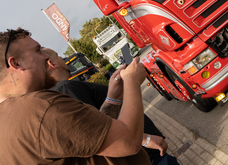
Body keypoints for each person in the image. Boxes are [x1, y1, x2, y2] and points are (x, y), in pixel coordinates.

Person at [0, 28, 150, 164]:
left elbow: (90, 136)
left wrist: (113, 98)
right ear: (16, 63)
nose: (46, 57)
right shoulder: (41, 107)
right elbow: (128, 141)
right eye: (38, 51)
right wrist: (132, 81)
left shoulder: (7, 119)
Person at [43, 48, 179, 165]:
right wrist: (145, 139)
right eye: (58, 55)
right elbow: (96, 131)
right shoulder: (66, 88)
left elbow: (101, 118)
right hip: (146, 154)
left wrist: (112, 94)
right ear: (52, 63)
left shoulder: (62, 90)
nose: (62, 58)